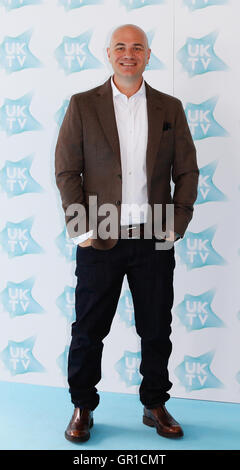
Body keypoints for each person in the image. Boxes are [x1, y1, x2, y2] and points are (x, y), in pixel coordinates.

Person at [55, 24, 199, 443]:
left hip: (154, 235)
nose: (128, 53)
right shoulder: (83, 105)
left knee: (156, 327)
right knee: (88, 328)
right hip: (98, 233)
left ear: (149, 55)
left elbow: (186, 171)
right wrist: (80, 227)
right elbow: (67, 170)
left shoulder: (170, 108)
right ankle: (82, 405)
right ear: (108, 53)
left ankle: (155, 404)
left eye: (137, 47)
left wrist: (176, 225)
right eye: (121, 46)